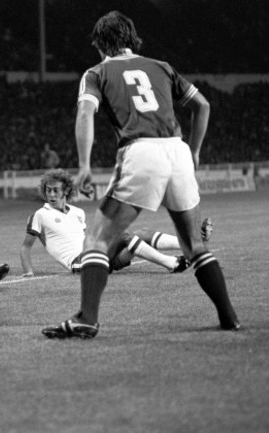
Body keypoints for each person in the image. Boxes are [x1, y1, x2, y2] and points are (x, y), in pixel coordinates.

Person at [42, 11, 240, 339]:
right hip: (175, 149)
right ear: (131, 39)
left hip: (141, 150)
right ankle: (229, 318)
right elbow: (202, 105)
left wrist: (85, 165)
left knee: (98, 240)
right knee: (194, 245)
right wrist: (194, 151)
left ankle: (87, 318)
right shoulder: (161, 66)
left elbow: (86, 112)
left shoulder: (97, 72)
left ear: (102, 43)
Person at [20, 169, 213, 276]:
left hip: (97, 254)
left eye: (55, 190)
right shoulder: (40, 214)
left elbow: (90, 237)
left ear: (65, 192)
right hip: (81, 263)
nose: (51, 194)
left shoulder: (77, 212)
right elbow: (25, 247)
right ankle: (171, 263)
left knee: (142, 232)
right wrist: (29, 272)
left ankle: (193, 244)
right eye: (48, 190)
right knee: (124, 233)